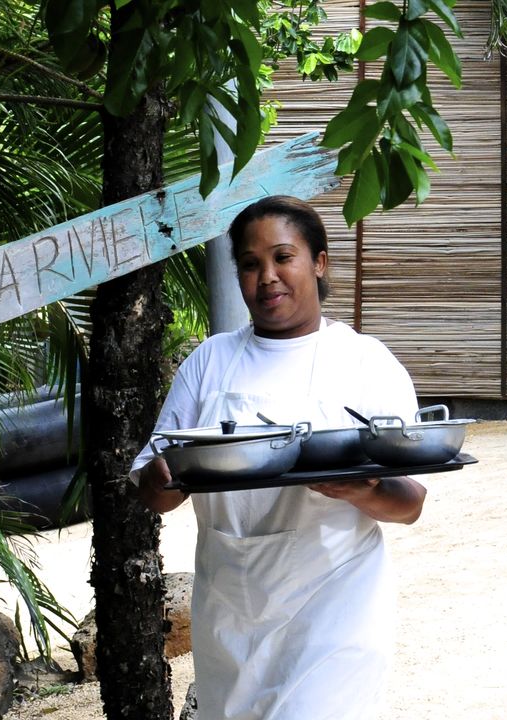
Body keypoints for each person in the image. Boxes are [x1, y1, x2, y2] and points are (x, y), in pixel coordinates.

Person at [130, 195, 427, 720]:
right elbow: (153, 491)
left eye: (283, 257)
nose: (267, 276)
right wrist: (170, 476)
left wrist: (365, 489)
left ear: (319, 262)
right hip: (231, 609)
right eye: (250, 264)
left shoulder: (364, 363)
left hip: (336, 606)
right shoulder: (210, 362)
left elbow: (410, 503)